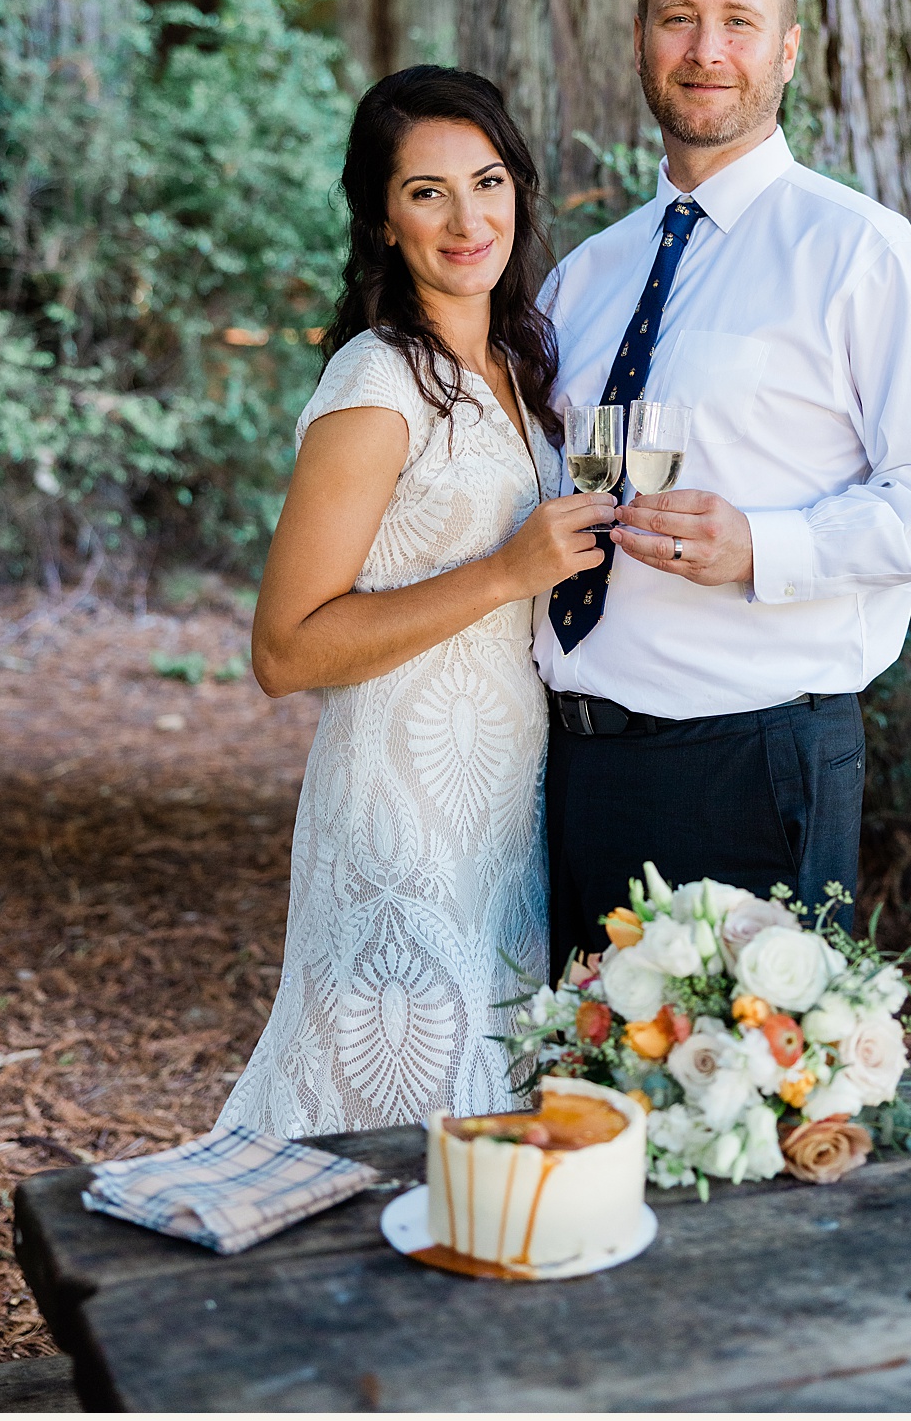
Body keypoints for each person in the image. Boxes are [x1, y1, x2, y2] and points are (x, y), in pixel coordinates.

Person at [535, 0, 911, 975]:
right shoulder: (585, 277)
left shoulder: (858, 251)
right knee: (583, 1109)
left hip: (749, 765)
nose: (707, 50)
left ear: (787, 51)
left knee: (741, 1121)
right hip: (566, 770)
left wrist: (767, 546)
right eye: (679, 19)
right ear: (642, 40)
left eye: (738, 22)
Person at [222, 68, 620, 1136]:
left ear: (520, 191)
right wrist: (502, 570)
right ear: (382, 218)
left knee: (491, 1101)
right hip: (399, 805)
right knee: (393, 1105)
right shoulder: (374, 382)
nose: (466, 219)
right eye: (427, 192)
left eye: (486, 181)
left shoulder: (522, 363)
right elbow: (283, 649)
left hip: (509, 799)